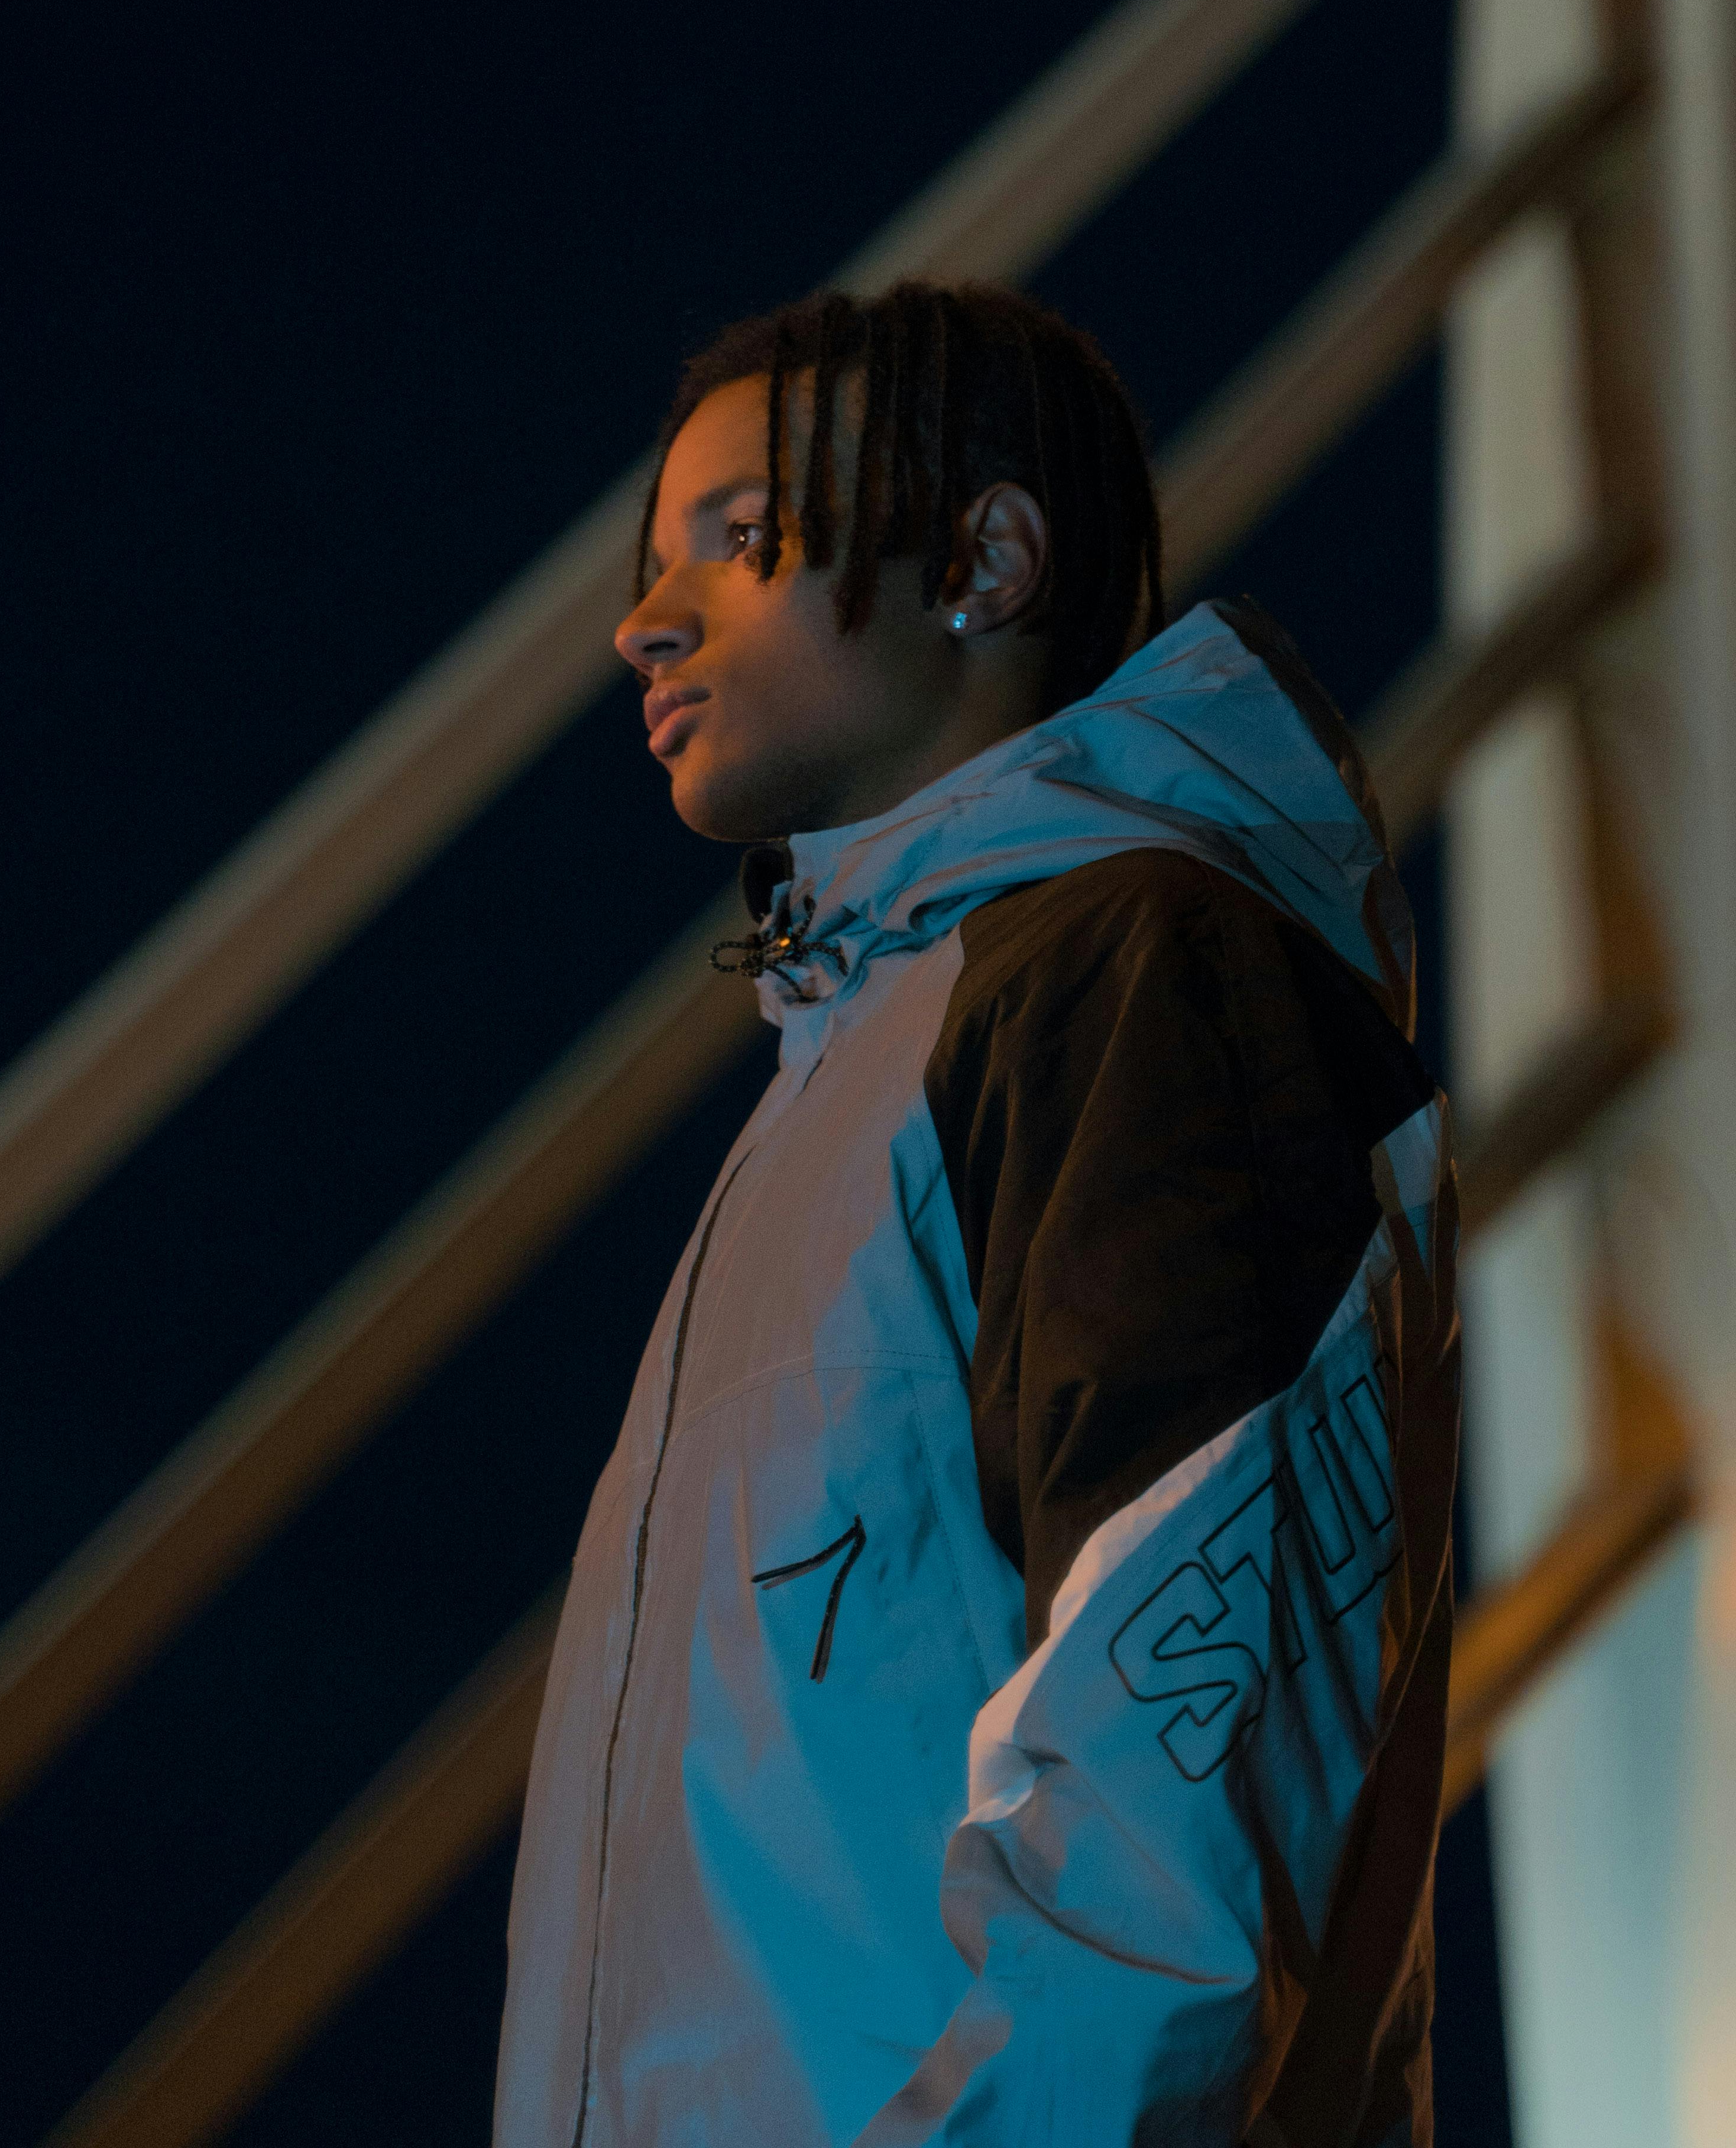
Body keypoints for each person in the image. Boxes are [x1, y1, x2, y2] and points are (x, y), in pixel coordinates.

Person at [494, 280, 1460, 2148]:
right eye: (651, 559)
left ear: (985, 559)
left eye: (745, 542)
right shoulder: (838, 1084)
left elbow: (1172, 1808)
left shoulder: (1132, 984)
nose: (641, 620)